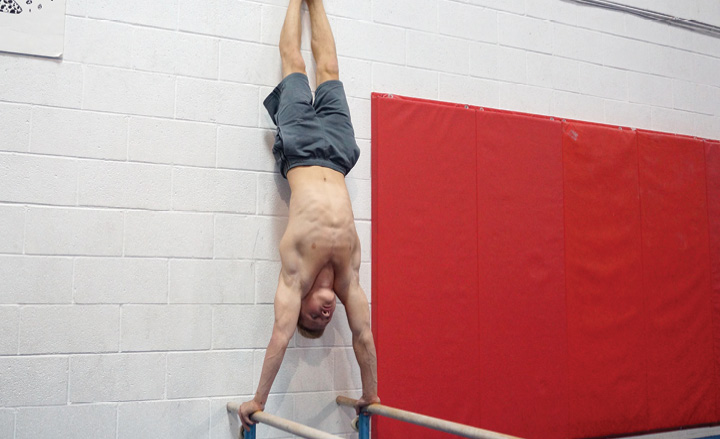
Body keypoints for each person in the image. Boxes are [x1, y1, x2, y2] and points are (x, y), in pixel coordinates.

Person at [238, 0, 380, 432]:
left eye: (311, 321)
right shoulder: (348, 281)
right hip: (337, 155)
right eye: (324, 321)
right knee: (331, 69)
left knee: (294, 64)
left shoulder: (294, 278)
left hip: (300, 147)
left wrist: (258, 400)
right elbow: (363, 338)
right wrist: (371, 394)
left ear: (298, 307)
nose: (323, 318)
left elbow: (279, 337)